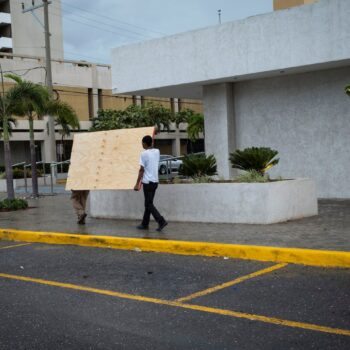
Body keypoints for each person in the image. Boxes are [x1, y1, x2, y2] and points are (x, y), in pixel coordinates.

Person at [134, 135, 168, 231]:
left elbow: (141, 170)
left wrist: (137, 184)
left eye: (142, 143)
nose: (142, 145)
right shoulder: (157, 151)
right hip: (155, 182)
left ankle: (161, 221)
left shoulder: (144, 154)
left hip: (147, 183)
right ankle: (145, 224)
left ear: (144, 143)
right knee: (148, 203)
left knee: (149, 204)